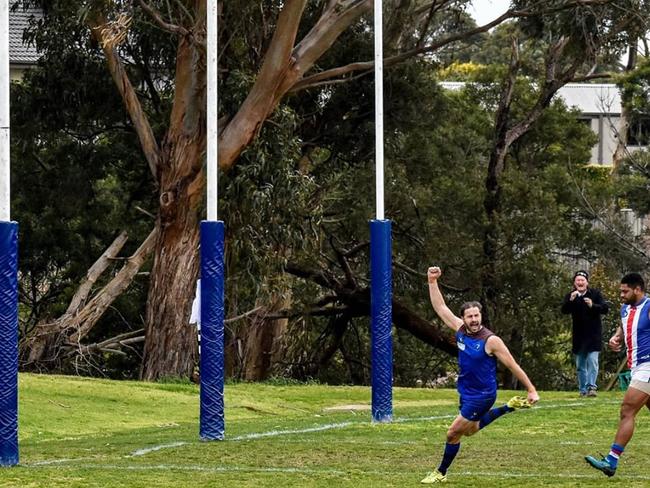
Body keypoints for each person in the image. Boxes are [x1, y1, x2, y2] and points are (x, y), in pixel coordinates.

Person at [420, 266, 540, 484]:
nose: (474, 319)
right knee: (470, 431)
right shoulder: (460, 330)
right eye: (470, 316)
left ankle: (441, 472)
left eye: (477, 315)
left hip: (483, 394)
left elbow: (513, 365)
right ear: (464, 318)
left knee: (452, 433)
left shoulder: (491, 341)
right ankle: (509, 407)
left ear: (481, 316)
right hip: (466, 391)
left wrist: (531, 389)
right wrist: (432, 281)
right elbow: (440, 307)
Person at [585, 272, 650, 477]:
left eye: (625, 291)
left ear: (637, 289)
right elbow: (624, 327)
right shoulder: (625, 309)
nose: (621, 295)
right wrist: (616, 337)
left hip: (648, 366)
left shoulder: (649, 307)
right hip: (636, 367)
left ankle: (611, 460)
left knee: (627, 410)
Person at [561, 270, 609, 397]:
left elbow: (605, 309)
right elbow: (564, 310)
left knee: (593, 361)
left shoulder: (595, 294)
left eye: (583, 280)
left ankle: (592, 387)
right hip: (579, 336)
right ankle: (583, 390)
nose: (580, 282)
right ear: (574, 283)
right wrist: (570, 301)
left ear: (587, 282)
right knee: (580, 365)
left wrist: (593, 305)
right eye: (578, 280)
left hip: (593, 335)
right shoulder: (571, 295)